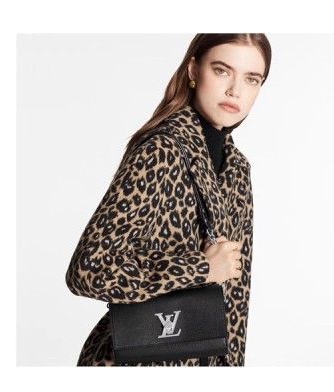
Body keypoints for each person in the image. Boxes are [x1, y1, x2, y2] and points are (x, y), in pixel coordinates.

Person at [65, 33, 272, 366]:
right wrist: (200, 267)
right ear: (193, 70)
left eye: (251, 79)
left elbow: (235, 300)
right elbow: (88, 269)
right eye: (222, 70)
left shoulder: (236, 169)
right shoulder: (160, 151)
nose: (235, 90)